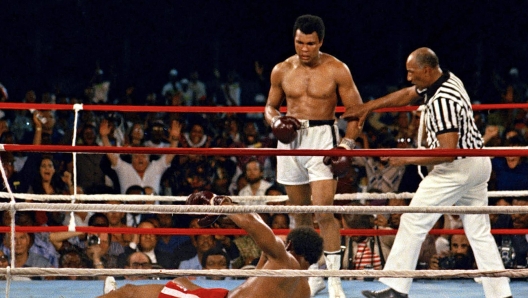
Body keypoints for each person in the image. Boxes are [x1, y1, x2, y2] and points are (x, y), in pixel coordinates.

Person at [342, 47, 512, 298]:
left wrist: (405, 159)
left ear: (427, 70)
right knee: (478, 230)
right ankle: (501, 293)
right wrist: (369, 106)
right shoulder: (445, 79)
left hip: (457, 167)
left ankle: (397, 288)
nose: (409, 77)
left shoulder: (444, 100)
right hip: (476, 162)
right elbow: (409, 93)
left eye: (412, 72)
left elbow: (448, 151)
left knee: (412, 220)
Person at [264, 14, 362, 298]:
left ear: (320, 41)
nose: (304, 49)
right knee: (300, 216)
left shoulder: (337, 69)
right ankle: (309, 276)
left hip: (322, 138)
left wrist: (347, 145)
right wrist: (275, 122)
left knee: (323, 212)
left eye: (310, 43)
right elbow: (270, 107)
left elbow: (356, 111)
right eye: (299, 42)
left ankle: (334, 280)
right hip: (290, 139)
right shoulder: (281, 70)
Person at [97, 191, 323, 298]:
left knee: (128, 293)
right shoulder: (303, 290)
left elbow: (252, 223)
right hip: (223, 295)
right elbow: (256, 286)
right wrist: (265, 259)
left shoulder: (284, 258)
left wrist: (219, 201)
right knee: (182, 280)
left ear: (291, 244)